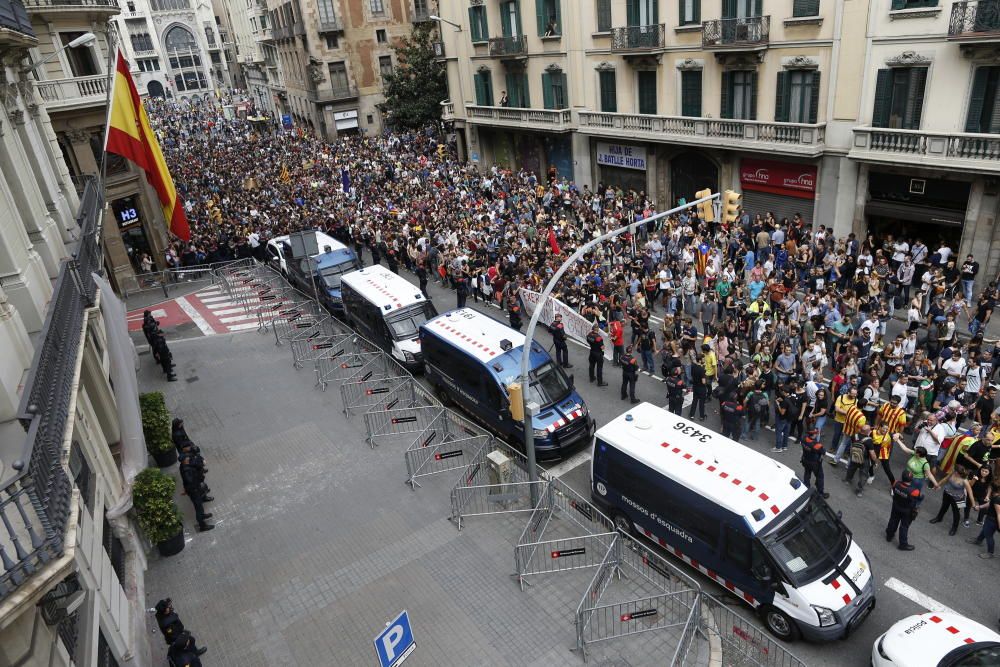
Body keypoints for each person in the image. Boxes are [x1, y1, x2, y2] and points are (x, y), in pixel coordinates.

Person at [930, 468, 975, 536]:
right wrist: (937, 485)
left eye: (957, 472)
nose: (955, 473)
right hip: (947, 493)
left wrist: (973, 504)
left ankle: (954, 528)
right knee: (944, 507)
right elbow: (945, 479)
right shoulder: (953, 472)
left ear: (960, 474)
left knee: (956, 513)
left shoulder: (965, 481)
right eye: (955, 472)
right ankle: (939, 518)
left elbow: (970, 492)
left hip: (958, 498)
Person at [886, 469, 922, 551]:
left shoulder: (896, 483)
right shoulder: (914, 491)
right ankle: (903, 544)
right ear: (911, 479)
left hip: (896, 506)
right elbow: (920, 497)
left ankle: (889, 536)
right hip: (907, 511)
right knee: (904, 527)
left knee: (893, 520)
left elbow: (894, 489)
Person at [179, 451, 214, 532]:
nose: (189, 458)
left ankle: (203, 516)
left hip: (194, 490)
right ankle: (202, 526)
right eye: (187, 458)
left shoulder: (183, 466)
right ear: (185, 460)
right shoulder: (187, 470)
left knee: (200, 506)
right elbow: (190, 481)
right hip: (194, 491)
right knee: (199, 508)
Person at [967, 479, 1000, 559]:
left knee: (989, 535)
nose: (988, 488)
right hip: (990, 519)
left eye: (989, 487)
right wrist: (980, 507)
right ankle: (978, 540)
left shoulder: (997, 499)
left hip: (993, 520)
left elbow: (999, 514)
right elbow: (990, 503)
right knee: (985, 530)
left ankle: (990, 552)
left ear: (992, 489)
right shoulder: (995, 496)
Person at [844, 425, 877, 497]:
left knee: (851, 468)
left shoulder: (854, 436)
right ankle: (859, 491)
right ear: (867, 432)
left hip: (854, 456)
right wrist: (875, 461)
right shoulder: (869, 440)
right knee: (863, 475)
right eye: (869, 430)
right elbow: (872, 454)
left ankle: (847, 480)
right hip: (864, 460)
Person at [800, 428, 829, 498]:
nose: (817, 434)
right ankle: (820, 492)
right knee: (820, 477)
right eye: (816, 433)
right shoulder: (816, 445)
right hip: (814, 463)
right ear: (813, 435)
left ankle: (806, 487)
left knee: (807, 473)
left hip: (805, 460)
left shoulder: (804, 439)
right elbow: (823, 452)